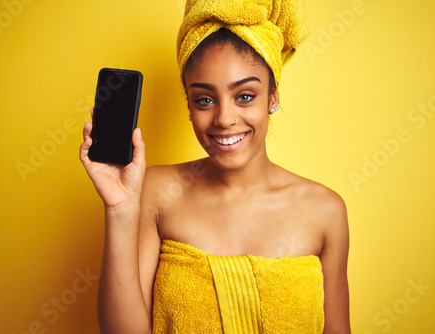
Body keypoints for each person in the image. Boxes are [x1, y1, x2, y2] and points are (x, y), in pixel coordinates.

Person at [80, 0, 350, 333]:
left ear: (273, 97)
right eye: (204, 99)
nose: (224, 119)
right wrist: (120, 210)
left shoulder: (325, 211)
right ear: (190, 106)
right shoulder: (157, 192)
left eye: (245, 96)